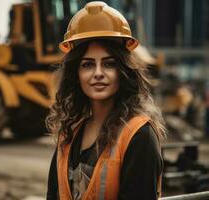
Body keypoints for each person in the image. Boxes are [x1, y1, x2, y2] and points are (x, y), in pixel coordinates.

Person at [46, 2, 166, 200]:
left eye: (109, 64)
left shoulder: (139, 136)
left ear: (123, 71)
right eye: (87, 65)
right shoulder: (69, 134)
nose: (98, 73)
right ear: (76, 74)